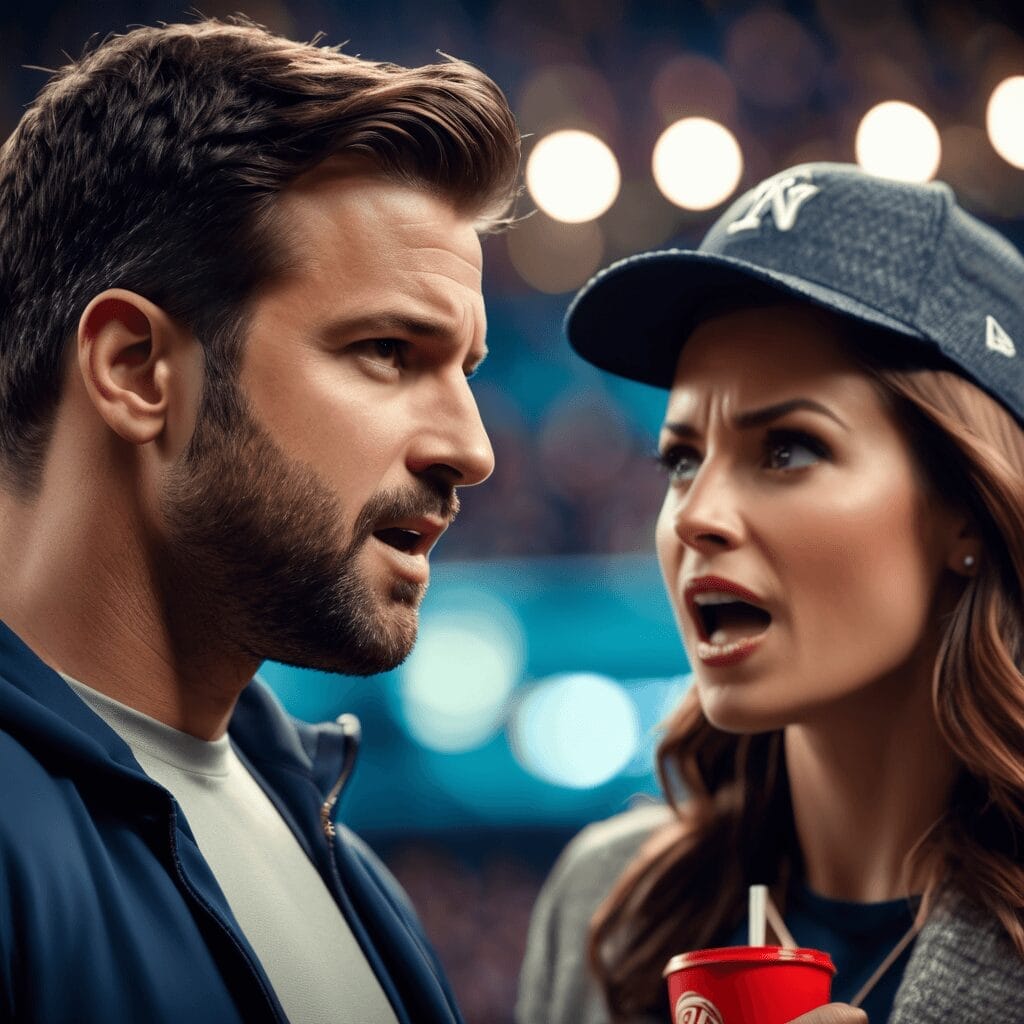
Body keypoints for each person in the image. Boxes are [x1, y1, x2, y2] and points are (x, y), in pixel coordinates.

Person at [0, 18, 519, 1024]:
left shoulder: (346, 864)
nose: (471, 446)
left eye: (467, 369)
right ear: (137, 370)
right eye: (386, 351)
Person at [516, 162, 1024, 1024]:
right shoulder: (604, 908)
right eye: (681, 459)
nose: (696, 516)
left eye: (787, 448)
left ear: (967, 514)